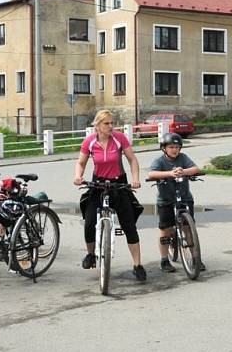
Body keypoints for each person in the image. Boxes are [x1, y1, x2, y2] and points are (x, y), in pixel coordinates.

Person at [73, 110, 146, 282]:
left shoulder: (119, 138)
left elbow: (132, 160)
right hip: (97, 185)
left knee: (129, 226)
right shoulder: (90, 142)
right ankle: (91, 254)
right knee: (89, 223)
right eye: (107, 123)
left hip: (118, 184)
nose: (111, 126)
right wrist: (78, 176)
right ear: (97, 126)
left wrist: (135, 179)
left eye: (112, 123)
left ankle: (137, 265)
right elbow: (81, 162)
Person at [147, 133, 203, 272]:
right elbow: (151, 174)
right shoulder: (160, 160)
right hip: (166, 199)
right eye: (171, 147)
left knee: (188, 228)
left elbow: (196, 169)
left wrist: (183, 171)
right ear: (164, 148)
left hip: (184, 197)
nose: (174, 149)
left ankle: (196, 258)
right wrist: (170, 174)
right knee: (165, 229)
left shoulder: (183, 158)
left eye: (177, 147)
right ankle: (164, 259)